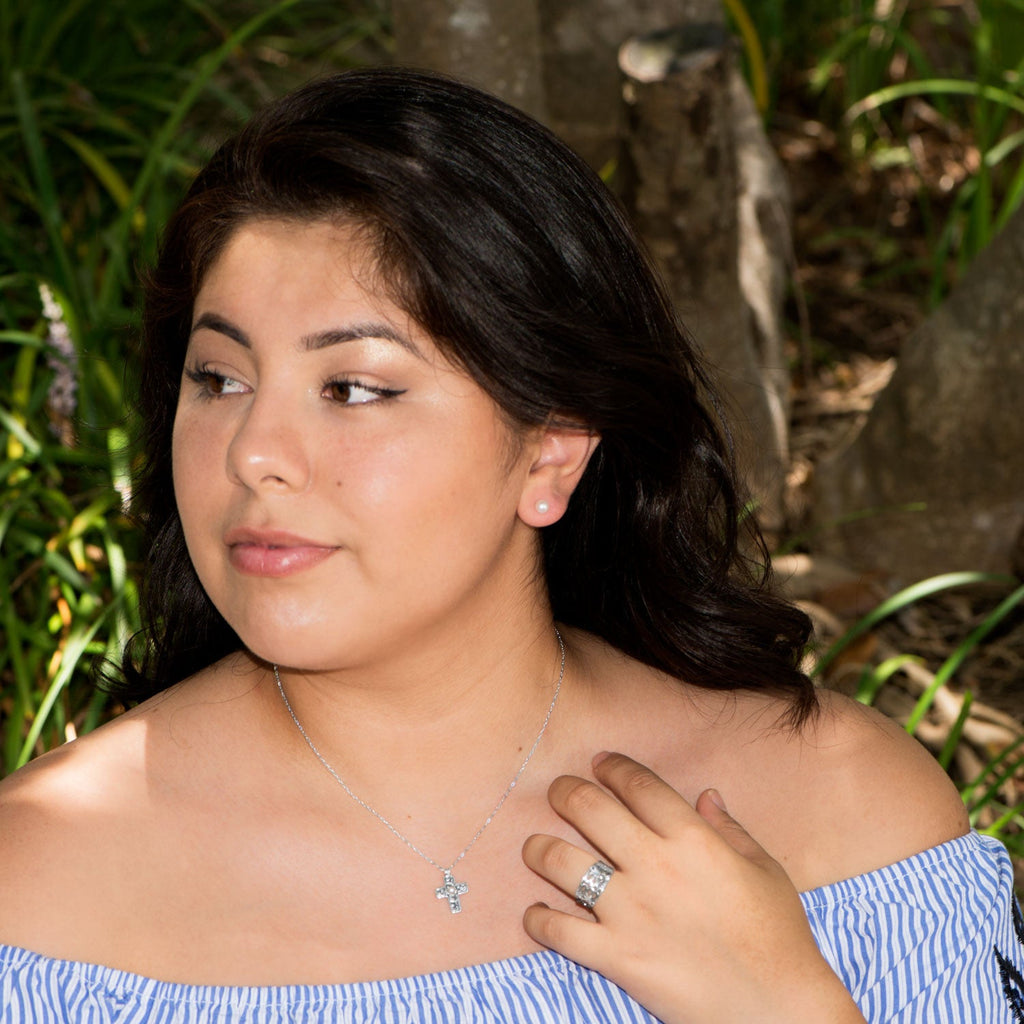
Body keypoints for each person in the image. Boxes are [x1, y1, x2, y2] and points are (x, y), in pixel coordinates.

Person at [0, 66, 1019, 1024]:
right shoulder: (38, 889)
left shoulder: (838, 812)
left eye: (355, 387)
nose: (255, 454)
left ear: (550, 452)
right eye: (219, 379)